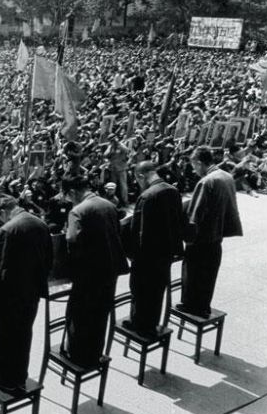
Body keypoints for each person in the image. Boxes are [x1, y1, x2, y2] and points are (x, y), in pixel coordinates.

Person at [0, 195, 52, 391]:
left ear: (3, 212)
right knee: (24, 335)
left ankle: (5, 380)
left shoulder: (8, 229)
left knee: (4, 338)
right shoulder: (40, 223)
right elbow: (49, 257)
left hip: (10, 296)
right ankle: (20, 377)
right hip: (32, 291)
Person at [61, 175, 128, 367]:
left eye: (68, 197)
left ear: (73, 192)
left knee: (80, 316)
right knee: (100, 314)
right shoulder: (108, 205)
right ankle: (95, 354)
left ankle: (78, 357)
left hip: (89, 274)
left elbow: (72, 241)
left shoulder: (78, 211)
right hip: (111, 270)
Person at [178, 147, 242, 317]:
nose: (194, 170)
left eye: (194, 166)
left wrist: (187, 239)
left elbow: (195, 216)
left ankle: (192, 307)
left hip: (201, 240)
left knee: (193, 276)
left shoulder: (206, 182)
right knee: (208, 278)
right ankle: (203, 306)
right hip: (217, 237)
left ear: (199, 163)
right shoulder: (226, 176)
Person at [124, 161, 185, 335]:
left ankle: (139, 325)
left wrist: (132, 255)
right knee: (157, 291)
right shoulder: (173, 191)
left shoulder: (147, 196)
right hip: (165, 254)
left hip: (146, 257)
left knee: (140, 292)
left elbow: (138, 232)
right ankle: (151, 324)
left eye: (138, 180)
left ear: (141, 176)